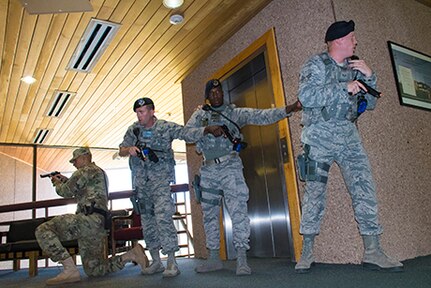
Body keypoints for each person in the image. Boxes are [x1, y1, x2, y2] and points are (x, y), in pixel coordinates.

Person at [295, 20, 403, 273]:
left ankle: (374, 251)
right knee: (315, 195)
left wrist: (369, 75)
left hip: (348, 135)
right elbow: (306, 97)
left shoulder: (356, 67)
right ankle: (307, 251)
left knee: (364, 188)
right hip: (319, 135)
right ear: (338, 40)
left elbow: (372, 104)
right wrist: (343, 87)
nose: (355, 42)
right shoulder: (316, 64)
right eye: (352, 37)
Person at [185, 79, 301, 276]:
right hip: (208, 170)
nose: (216, 95)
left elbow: (262, 115)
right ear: (207, 96)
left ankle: (242, 259)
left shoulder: (235, 113)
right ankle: (214, 258)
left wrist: (289, 108)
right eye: (211, 93)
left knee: (238, 211)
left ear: (223, 93)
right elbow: (186, 135)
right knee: (210, 215)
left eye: (218, 91)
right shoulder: (200, 115)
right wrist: (206, 129)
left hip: (230, 167)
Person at [118, 97, 222, 278]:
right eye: (137, 112)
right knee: (148, 222)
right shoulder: (133, 130)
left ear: (152, 111)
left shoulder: (165, 127)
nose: (139, 115)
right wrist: (129, 150)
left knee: (163, 218)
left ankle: (172, 262)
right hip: (142, 184)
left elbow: (186, 133)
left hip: (160, 182)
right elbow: (121, 149)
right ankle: (156, 261)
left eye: (142, 112)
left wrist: (205, 129)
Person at [35, 147, 149, 286]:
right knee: (94, 269)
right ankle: (131, 255)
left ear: (84, 157)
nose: (73, 163)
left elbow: (65, 191)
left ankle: (69, 269)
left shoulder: (85, 170)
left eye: (75, 160)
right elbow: (84, 191)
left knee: (43, 230)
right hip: (97, 223)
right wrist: (66, 180)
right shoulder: (98, 172)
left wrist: (56, 182)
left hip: (86, 220)